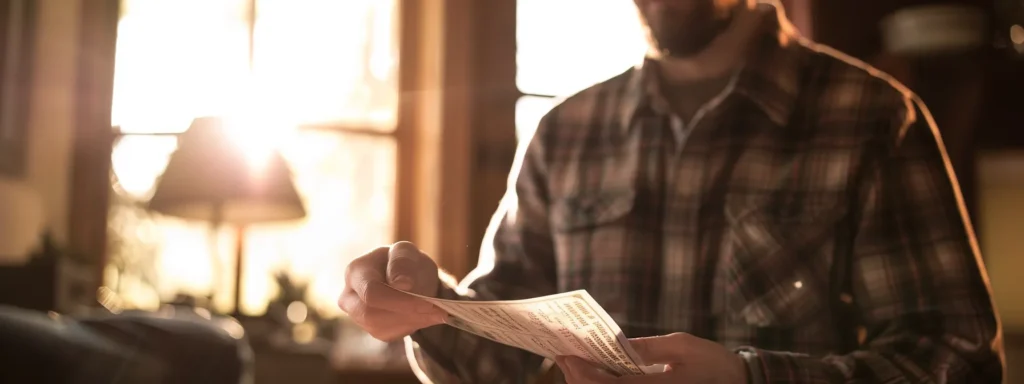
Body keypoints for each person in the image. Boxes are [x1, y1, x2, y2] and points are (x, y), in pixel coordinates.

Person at [338, 0, 1004, 382]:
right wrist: (431, 308)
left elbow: (957, 364)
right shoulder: (564, 132)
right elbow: (507, 354)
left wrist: (749, 380)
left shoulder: (873, 119)